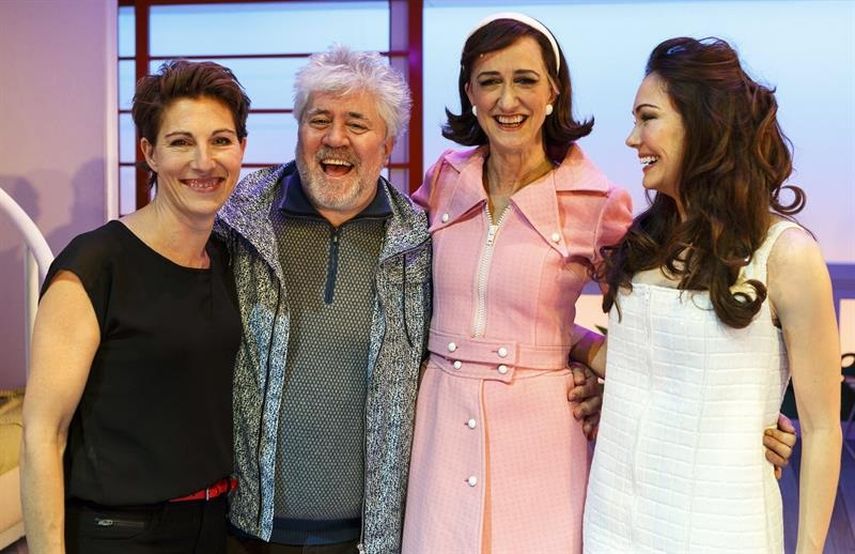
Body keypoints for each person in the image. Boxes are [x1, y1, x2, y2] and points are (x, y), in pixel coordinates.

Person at [401, 14, 798, 554]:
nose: (506, 99)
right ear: (469, 92)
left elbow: (673, 320)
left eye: (525, 79)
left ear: (553, 92)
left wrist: (742, 412)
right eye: (488, 80)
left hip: (542, 433)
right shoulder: (443, 180)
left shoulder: (596, 201)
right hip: (439, 426)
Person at [582, 37, 841, 552]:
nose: (633, 139)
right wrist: (551, 346)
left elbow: (821, 428)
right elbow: (631, 361)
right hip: (612, 520)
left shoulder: (785, 254)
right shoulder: (643, 241)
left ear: (704, 124)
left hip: (720, 525)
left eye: (647, 117)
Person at [21, 60, 249, 553]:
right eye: (180, 141)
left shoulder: (229, 259)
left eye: (221, 140)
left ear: (241, 150)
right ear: (150, 152)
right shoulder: (95, 263)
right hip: (120, 534)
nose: (203, 161)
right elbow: (43, 433)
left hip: (215, 526)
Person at [217, 46, 431, 554]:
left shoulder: (419, 243)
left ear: (388, 144)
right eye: (319, 120)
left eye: (357, 123)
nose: (335, 138)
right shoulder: (236, 224)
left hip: (370, 536)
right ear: (299, 131)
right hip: (245, 529)